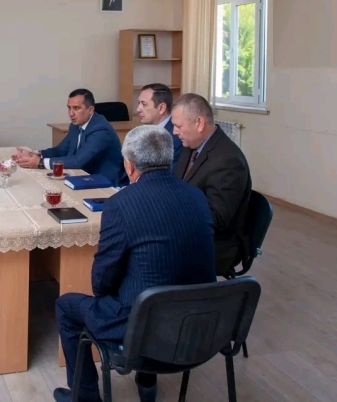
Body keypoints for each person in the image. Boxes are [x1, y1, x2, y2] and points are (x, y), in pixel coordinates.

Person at [53, 125, 216, 402]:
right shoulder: (197, 196)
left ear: (129, 165)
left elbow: (102, 280)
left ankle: (85, 397)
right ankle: (147, 382)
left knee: (66, 306)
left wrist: (110, 297)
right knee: (154, 281)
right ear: (168, 159)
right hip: (199, 326)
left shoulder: (121, 204)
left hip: (142, 329)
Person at [171, 93, 252, 276]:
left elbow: (216, 219)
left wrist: (170, 216)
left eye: (178, 126)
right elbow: (177, 186)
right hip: (189, 231)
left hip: (216, 245)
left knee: (148, 250)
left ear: (199, 123)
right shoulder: (192, 145)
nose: (175, 132)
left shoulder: (228, 160)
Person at [14, 88, 127, 187]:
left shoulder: (100, 130)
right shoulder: (75, 125)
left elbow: (78, 161)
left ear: (90, 110)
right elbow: (60, 150)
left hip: (106, 184)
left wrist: (40, 163)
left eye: (76, 108)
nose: (71, 113)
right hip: (84, 177)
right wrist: (35, 154)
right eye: (69, 108)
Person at [136, 83, 183, 171]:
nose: (138, 109)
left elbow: (168, 173)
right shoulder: (144, 131)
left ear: (161, 108)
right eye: (138, 103)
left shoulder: (175, 137)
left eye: (144, 104)